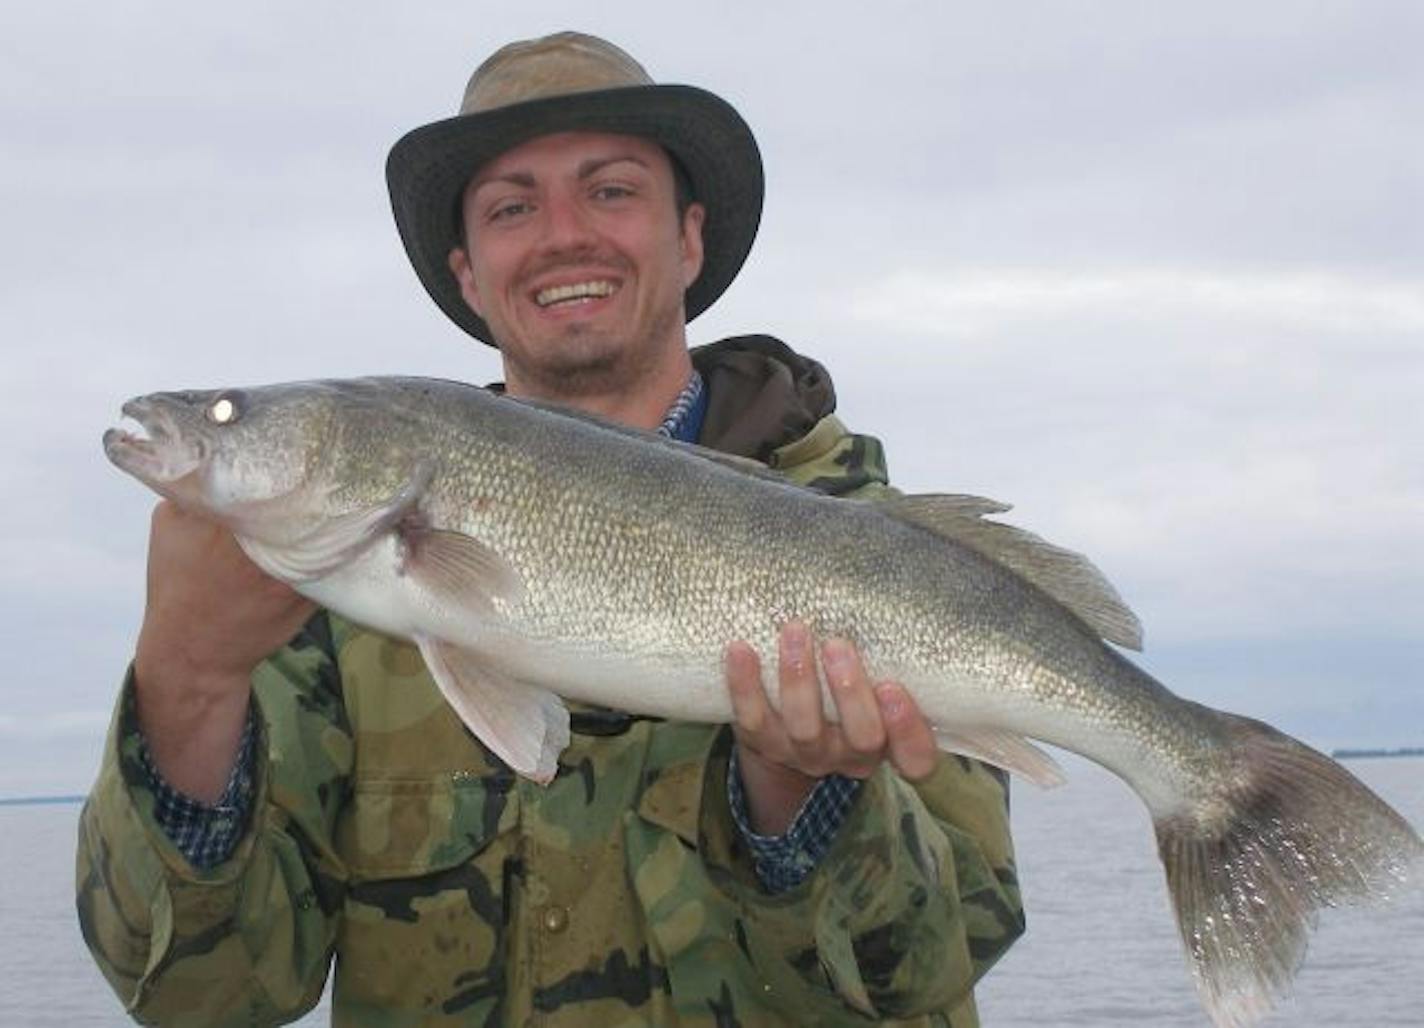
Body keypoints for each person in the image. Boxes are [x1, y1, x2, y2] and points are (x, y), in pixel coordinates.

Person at [77, 31, 1022, 1027]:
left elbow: (954, 943)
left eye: (610, 189)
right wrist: (186, 680)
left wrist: (800, 796)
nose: (563, 234)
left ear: (687, 237)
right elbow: (203, 999)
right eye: (511, 206)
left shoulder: (886, 555)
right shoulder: (305, 589)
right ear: (470, 272)